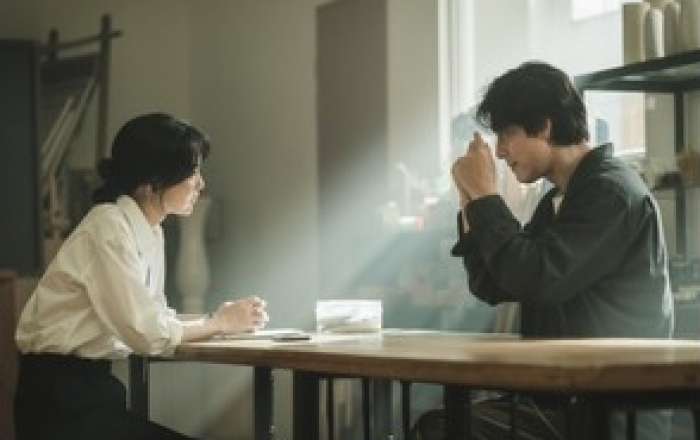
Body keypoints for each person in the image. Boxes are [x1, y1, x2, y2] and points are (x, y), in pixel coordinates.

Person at [410, 62, 674, 439]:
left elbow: (536, 279)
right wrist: (471, 201)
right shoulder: (558, 199)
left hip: (610, 415)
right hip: (563, 401)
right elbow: (493, 284)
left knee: (443, 428)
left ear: (545, 126)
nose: (499, 151)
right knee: (442, 422)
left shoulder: (610, 192)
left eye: (507, 134)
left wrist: (485, 195)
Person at [14, 113, 269, 440]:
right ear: (152, 183)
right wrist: (219, 322)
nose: (201, 184)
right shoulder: (109, 226)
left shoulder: (149, 229)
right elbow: (148, 334)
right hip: (59, 401)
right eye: (193, 171)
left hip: (94, 390)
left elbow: (154, 317)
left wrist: (222, 320)